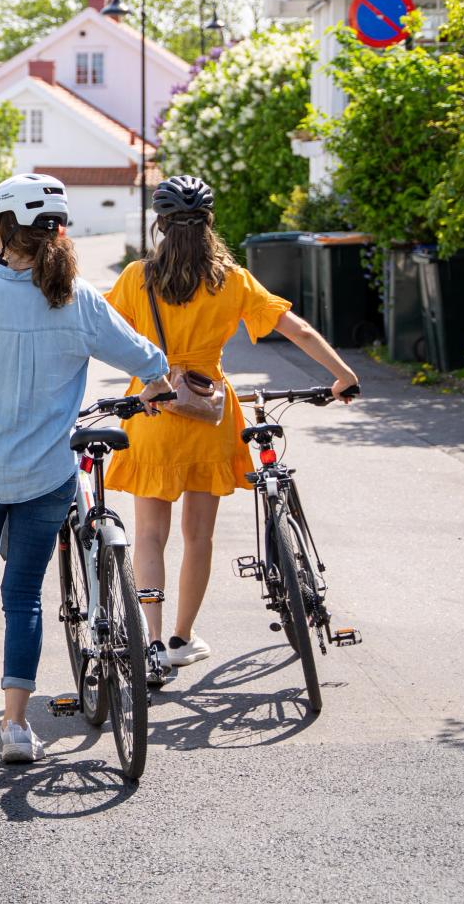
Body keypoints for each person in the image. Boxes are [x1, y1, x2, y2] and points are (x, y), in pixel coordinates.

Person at [0, 173, 172, 763]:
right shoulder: (79, 297)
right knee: (24, 596)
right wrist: (159, 385)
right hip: (45, 474)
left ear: (2, 230)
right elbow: (147, 358)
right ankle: (15, 726)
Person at [103, 175, 359, 684]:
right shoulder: (231, 278)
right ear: (209, 224)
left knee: (150, 536)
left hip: (152, 411)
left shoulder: (138, 277)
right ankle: (181, 638)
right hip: (208, 415)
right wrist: (342, 376)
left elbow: (101, 331)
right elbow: (295, 328)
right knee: (199, 536)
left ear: (160, 224)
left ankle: (150, 644)